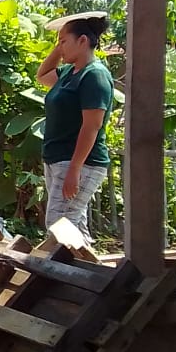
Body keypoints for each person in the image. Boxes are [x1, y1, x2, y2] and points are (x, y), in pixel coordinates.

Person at [36, 15, 114, 237]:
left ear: (82, 41)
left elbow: (92, 126)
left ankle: (60, 272)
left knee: (59, 226)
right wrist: (59, 47)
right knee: (73, 225)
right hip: (58, 159)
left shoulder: (95, 75)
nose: (60, 48)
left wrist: (74, 169)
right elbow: (42, 75)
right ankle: (91, 271)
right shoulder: (69, 73)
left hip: (80, 163)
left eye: (63, 41)